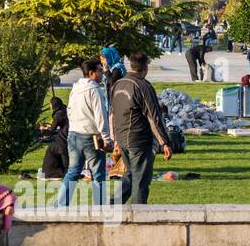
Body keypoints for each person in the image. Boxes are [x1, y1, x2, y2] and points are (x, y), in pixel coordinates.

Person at [110, 52, 173, 205]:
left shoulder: (118, 84)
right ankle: (138, 216)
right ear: (145, 67)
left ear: (130, 65)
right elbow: (154, 117)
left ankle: (111, 205)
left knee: (131, 174)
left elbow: (113, 113)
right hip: (138, 139)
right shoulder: (143, 86)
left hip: (122, 137)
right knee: (141, 179)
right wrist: (165, 142)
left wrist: (115, 139)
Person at [58, 58, 113, 206]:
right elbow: (101, 116)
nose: (102, 73)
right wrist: (107, 139)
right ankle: (100, 206)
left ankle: (61, 205)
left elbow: (69, 110)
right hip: (91, 137)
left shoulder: (75, 88)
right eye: (99, 70)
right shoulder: (94, 91)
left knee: (73, 172)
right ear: (91, 73)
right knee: (98, 174)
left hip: (74, 134)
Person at [40, 95, 70, 180]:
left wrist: (44, 130)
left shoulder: (58, 114)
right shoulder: (64, 109)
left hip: (64, 134)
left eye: (50, 104)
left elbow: (53, 128)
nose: (50, 106)